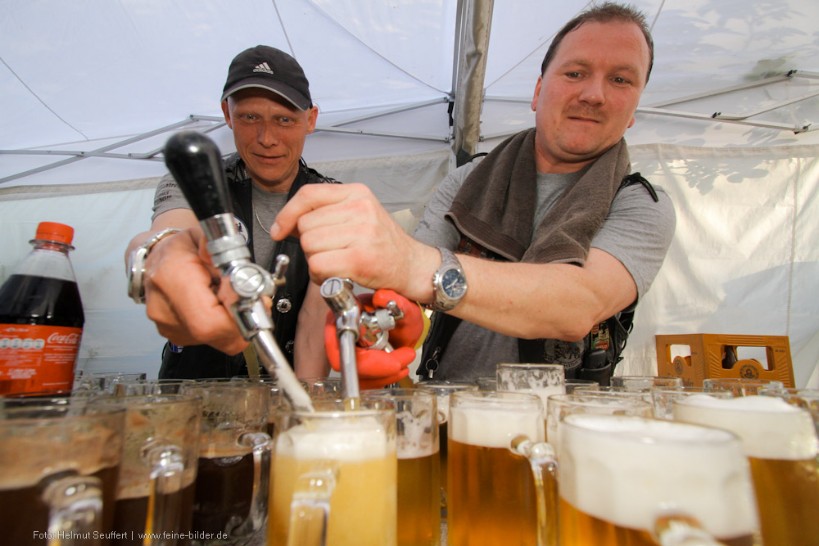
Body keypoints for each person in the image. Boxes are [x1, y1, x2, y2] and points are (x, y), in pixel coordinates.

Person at [135, 2, 675, 387]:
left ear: (637, 107)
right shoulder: (468, 181)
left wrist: (410, 268)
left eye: (621, 80)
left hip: (566, 424)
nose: (593, 93)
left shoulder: (640, 204)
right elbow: (392, 292)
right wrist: (156, 252)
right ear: (537, 91)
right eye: (575, 72)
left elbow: (577, 304)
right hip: (447, 412)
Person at [125, 45, 335, 380]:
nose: (267, 138)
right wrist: (155, 253)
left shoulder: (329, 200)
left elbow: (315, 322)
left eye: (284, 119)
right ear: (227, 113)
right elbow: (169, 233)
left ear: (310, 120)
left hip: (282, 393)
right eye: (250, 117)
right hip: (191, 395)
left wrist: (303, 404)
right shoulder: (196, 181)